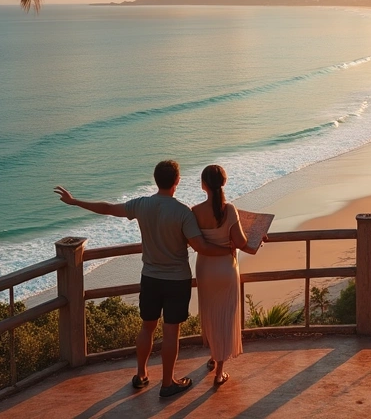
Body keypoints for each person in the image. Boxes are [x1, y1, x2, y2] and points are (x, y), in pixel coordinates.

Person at [55, 160, 231, 398]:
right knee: (171, 332)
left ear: (156, 180)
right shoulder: (183, 212)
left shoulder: (141, 205)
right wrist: (228, 250)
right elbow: (201, 246)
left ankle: (141, 375)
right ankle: (167, 383)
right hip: (176, 280)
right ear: (177, 181)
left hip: (150, 277)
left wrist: (75, 201)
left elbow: (108, 208)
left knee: (147, 327)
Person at [193, 164, 258, 386]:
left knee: (210, 314)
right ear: (224, 183)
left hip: (205, 269)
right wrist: (257, 238)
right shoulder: (229, 210)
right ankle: (219, 372)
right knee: (226, 317)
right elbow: (241, 242)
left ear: (203, 185)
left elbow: (193, 242)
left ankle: (213, 355)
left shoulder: (195, 211)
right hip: (226, 268)